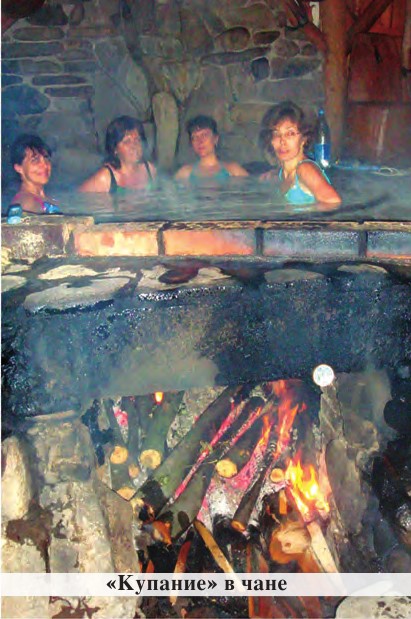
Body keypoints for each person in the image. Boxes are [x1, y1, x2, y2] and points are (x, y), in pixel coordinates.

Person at [259, 101, 341, 206]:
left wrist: (308, 214)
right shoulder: (282, 175)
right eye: (276, 134)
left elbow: (334, 202)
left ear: (303, 139)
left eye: (290, 133)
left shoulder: (306, 169)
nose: (282, 141)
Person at [79, 116, 156, 193]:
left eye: (137, 140)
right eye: (127, 142)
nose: (134, 146)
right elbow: (78, 196)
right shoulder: (105, 178)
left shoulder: (149, 170)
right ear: (115, 149)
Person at [175, 115, 249, 184]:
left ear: (215, 139)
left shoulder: (234, 171)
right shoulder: (184, 173)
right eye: (195, 137)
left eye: (204, 135)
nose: (200, 141)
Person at [9, 134, 60, 214]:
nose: (45, 165)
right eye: (35, 160)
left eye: (46, 158)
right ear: (19, 168)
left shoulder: (43, 199)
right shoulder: (26, 203)